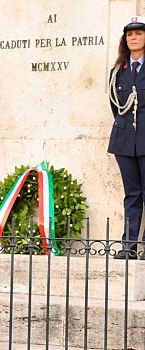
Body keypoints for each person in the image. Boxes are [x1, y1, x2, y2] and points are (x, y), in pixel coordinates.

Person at [108, 16, 145, 260]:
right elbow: (115, 105)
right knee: (131, 194)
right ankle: (129, 245)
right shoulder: (117, 71)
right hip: (124, 140)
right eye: (130, 34)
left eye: (139, 33)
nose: (133, 37)